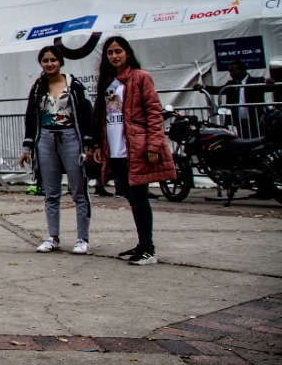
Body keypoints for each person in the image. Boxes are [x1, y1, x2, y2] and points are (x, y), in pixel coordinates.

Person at [92, 35, 175, 266]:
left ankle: (148, 249)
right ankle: (142, 245)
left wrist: (153, 145)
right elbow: (103, 116)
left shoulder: (140, 77)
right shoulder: (108, 82)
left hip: (136, 147)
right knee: (130, 196)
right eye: (110, 52)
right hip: (115, 147)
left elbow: (154, 112)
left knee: (139, 197)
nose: (114, 55)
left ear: (127, 53)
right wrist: (99, 145)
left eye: (118, 51)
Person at [18, 46, 95, 255]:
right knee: (51, 192)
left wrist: (88, 145)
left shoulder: (74, 85)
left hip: (71, 138)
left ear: (60, 62)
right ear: (41, 63)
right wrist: (27, 147)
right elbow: (31, 117)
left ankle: (82, 238)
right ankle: (53, 236)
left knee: (78, 191)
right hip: (45, 139)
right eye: (45, 60)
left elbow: (87, 114)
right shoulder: (38, 87)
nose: (50, 64)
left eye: (53, 60)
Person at [195, 60, 273, 136]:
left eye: (233, 71)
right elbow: (218, 90)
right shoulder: (231, 84)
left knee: (255, 139)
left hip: (254, 120)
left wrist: (271, 83)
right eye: (229, 71)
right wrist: (202, 88)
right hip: (237, 121)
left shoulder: (256, 81)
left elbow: (270, 88)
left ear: (242, 70)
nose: (231, 74)